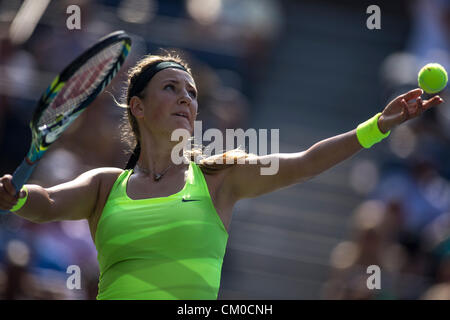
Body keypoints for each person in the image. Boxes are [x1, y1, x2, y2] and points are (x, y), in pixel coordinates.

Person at [0, 53, 444, 300]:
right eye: (171, 88)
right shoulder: (103, 185)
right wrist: (16, 197)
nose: (186, 100)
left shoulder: (218, 175)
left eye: (192, 93)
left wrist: (378, 126)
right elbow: (48, 202)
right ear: (137, 107)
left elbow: (306, 161)